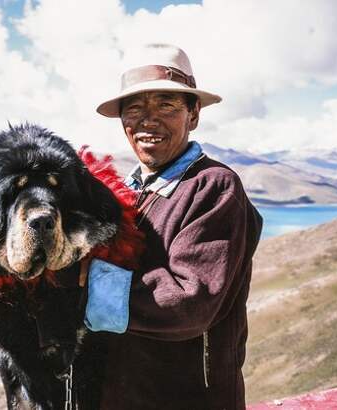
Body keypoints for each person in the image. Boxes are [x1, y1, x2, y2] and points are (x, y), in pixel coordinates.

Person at [81, 43, 264, 409]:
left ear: (193, 114)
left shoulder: (213, 186)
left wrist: (80, 279)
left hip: (190, 399)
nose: (148, 120)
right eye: (134, 107)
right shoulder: (123, 196)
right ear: (123, 122)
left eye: (166, 104)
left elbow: (187, 303)